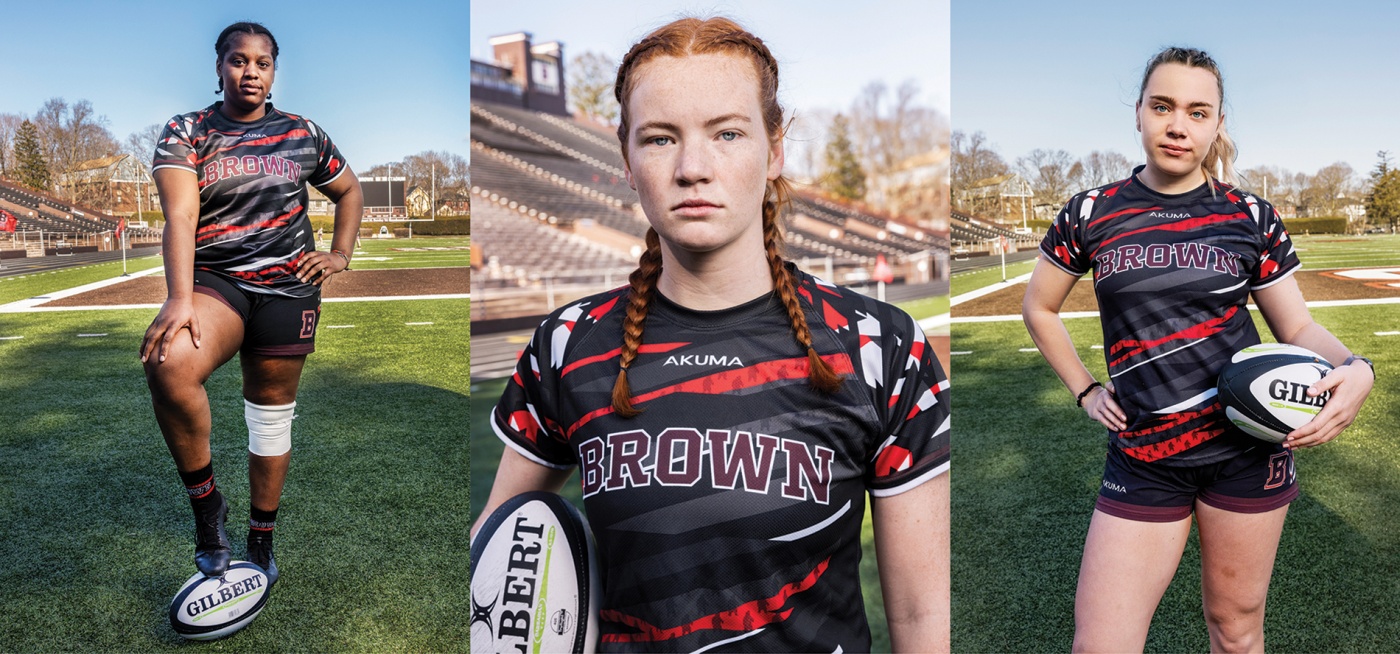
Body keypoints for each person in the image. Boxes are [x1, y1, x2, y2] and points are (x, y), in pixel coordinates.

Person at [473, 16, 950, 653]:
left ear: (775, 147)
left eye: (727, 132)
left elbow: (923, 617)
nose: (693, 167)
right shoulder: (569, 343)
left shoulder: (881, 348)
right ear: (627, 160)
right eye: (661, 138)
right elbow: (497, 546)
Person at [1022, 47, 1375, 653]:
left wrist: (1357, 370)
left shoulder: (1250, 216)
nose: (1177, 125)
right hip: (1144, 454)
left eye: (1196, 111)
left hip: (1246, 451)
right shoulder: (1091, 212)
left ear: (1216, 124)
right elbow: (1039, 307)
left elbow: (1298, 328)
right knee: (1100, 644)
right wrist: (1084, 389)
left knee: (1235, 629)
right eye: (1162, 106)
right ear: (1138, 113)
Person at [142, 21, 363, 587]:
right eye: (238, 61)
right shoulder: (187, 130)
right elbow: (182, 215)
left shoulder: (303, 133)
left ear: (274, 71)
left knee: (269, 417)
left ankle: (261, 538)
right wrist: (179, 298)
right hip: (220, 284)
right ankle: (208, 511)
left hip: (290, 289)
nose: (250, 71)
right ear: (219, 67)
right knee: (169, 364)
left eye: (262, 63)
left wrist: (339, 255)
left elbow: (349, 190)